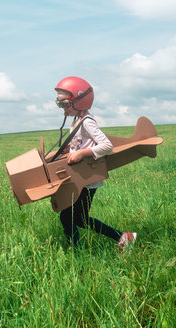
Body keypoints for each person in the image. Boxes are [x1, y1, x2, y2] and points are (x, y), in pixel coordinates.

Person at [53, 76, 137, 249]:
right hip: (80, 177)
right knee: (74, 217)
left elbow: (106, 146)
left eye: (64, 104)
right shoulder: (77, 121)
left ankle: (77, 249)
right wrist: (71, 147)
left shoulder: (87, 122)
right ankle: (121, 239)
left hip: (87, 179)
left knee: (74, 218)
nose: (62, 108)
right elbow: (82, 142)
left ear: (78, 101)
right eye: (59, 104)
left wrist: (82, 153)